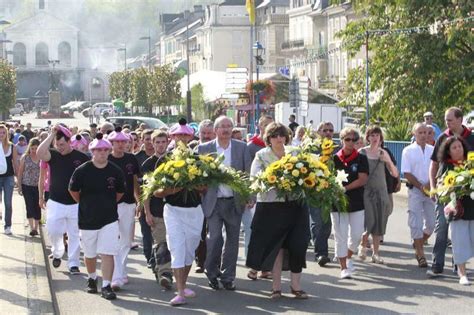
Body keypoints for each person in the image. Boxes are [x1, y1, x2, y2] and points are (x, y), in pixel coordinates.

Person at [246, 122, 309, 299]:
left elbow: (307, 173)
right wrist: (273, 181)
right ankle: (276, 288)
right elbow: (255, 179)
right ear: (268, 138)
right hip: (271, 206)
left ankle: (296, 286)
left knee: (298, 245)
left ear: (287, 137)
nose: (279, 139)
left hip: (296, 205)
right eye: (274, 135)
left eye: (281, 135)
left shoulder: (295, 152)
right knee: (277, 247)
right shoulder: (261, 155)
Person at [154, 119, 205, 306]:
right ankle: (180, 291)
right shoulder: (164, 160)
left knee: (190, 250)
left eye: (185, 135)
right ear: (172, 137)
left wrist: (195, 185)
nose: (181, 138)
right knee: (176, 248)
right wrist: (170, 191)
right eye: (178, 135)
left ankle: (183, 284)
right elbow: (156, 190)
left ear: (190, 136)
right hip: (173, 210)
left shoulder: (198, 160)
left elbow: (205, 187)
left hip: (194, 211)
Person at [69, 134, 125, 300]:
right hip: (87, 218)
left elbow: (120, 193)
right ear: (92, 151)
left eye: (105, 150)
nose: (102, 153)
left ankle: (106, 285)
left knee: (108, 252)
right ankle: (92, 278)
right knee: (90, 253)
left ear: (109, 151)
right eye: (98, 150)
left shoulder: (115, 171)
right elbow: (73, 191)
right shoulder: (82, 170)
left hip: (109, 218)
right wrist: (87, 204)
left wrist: (106, 204)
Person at [198, 116, 251, 291]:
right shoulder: (204, 149)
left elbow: (247, 174)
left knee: (233, 241)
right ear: (216, 130)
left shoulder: (242, 147)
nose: (226, 129)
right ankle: (212, 273)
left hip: (234, 202)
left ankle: (228, 277)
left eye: (229, 126)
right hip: (213, 202)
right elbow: (198, 175)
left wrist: (250, 196)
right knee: (214, 239)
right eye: (222, 126)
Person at [36, 124, 89, 273]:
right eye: (57, 144)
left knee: (74, 234)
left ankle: (73, 264)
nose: (60, 147)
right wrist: (51, 135)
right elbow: (40, 152)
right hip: (55, 201)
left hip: (75, 203)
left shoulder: (81, 157)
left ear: (69, 142)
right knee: (52, 230)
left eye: (62, 144)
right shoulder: (53, 155)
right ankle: (58, 251)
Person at [428, 107, 474, 276]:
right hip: (445, 191)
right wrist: (433, 187)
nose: (447, 123)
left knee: (460, 231)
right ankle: (437, 264)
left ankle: (458, 265)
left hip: (466, 194)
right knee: (441, 229)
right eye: (446, 120)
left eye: (450, 120)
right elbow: (433, 165)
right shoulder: (442, 138)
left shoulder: (472, 138)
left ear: (460, 119)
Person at [436, 136, 473, 285]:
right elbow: (441, 186)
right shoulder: (446, 166)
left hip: (473, 206)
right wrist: (452, 188)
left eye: (460, 146)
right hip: (458, 210)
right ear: (448, 151)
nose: (458, 149)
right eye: (454, 147)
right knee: (459, 241)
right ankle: (462, 273)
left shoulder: (470, 163)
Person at [358, 126, 399, 263]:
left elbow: (395, 173)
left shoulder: (384, 153)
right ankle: (363, 245)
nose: (375, 138)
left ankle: (376, 253)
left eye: (377, 135)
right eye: (372, 135)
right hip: (366, 192)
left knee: (379, 223)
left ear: (381, 138)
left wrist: (387, 161)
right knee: (369, 221)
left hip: (382, 192)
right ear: (367, 137)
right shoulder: (361, 153)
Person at [332, 128, 369, 279]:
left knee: (356, 235)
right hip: (337, 203)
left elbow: (363, 179)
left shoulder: (361, 158)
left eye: (354, 140)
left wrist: (344, 188)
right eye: (347, 139)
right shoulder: (333, 159)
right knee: (340, 235)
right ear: (341, 140)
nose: (351, 143)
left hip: (356, 202)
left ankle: (347, 255)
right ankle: (343, 267)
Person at [108, 127, 141, 290]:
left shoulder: (131, 159)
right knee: (114, 240)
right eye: (117, 142)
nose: (121, 144)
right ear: (112, 143)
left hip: (128, 203)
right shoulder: (105, 158)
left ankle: (121, 269)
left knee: (126, 240)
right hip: (110, 205)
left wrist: (138, 200)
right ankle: (117, 275)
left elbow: (135, 180)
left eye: (123, 141)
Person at [401, 123, 435, 268]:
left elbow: (436, 169)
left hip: (430, 190)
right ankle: (420, 254)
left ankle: (418, 242)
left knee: (432, 224)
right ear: (414, 134)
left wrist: (429, 185)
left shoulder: (433, 150)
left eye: (426, 132)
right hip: (415, 190)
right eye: (420, 132)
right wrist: (420, 186)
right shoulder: (408, 151)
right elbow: (406, 172)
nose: (423, 135)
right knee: (416, 222)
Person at [143, 130, 173, 290]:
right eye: (157, 142)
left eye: (163, 142)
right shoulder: (148, 164)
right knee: (161, 243)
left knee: (171, 244)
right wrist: (147, 212)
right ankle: (165, 273)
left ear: (167, 142)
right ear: (152, 144)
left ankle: (159, 266)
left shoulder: (175, 161)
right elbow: (145, 192)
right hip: (156, 210)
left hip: (174, 210)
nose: (161, 145)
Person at [246, 115, 273, 280]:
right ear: (260, 128)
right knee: (257, 232)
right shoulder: (252, 147)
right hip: (258, 196)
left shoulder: (280, 147)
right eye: (266, 126)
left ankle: (266, 268)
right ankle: (254, 267)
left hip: (275, 197)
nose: (268, 129)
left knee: (271, 233)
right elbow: (249, 174)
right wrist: (250, 195)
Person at [310, 122, 336, 266]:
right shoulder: (312, 148)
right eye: (325, 130)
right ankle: (321, 253)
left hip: (331, 190)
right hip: (314, 190)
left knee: (327, 224)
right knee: (318, 222)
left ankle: (323, 251)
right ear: (319, 132)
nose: (328, 133)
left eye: (331, 130)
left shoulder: (335, 149)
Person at [194, 119, 216, 273]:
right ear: (199, 134)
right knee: (199, 231)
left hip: (216, 196)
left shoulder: (218, 150)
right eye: (204, 133)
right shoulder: (194, 151)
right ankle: (200, 262)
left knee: (215, 233)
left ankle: (214, 262)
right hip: (198, 198)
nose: (206, 136)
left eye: (209, 133)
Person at [135, 129, 155, 267]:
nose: (149, 142)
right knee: (146, 230)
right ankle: (149, 257)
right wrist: (138, 201)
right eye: (146, 139)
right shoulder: (137, 158)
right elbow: (134, 182)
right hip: (143, 198)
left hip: (161, 199)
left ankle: (159, 258)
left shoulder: (163, 157)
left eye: (151, 139)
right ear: (142, 140)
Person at [18, 137, 41, 236]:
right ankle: (32, 228)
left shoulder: (41, 157)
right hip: (26, 185)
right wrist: (19, 186)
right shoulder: (25, 157)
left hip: (38, 186)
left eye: (36, 148)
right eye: (32, 148)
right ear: (29, 148)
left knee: (37, 206)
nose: (34, 150)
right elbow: (20, 172)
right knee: (29, 205)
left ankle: (36, 227)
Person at [0, 124, 19, 235]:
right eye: (0, 133)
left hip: (8, 177)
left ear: (7, 134)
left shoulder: (12, 146)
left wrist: (18, 178)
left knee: (8, 202)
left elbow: (15, 163)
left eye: (3, 133)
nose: (1, 135)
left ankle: (8, 225)